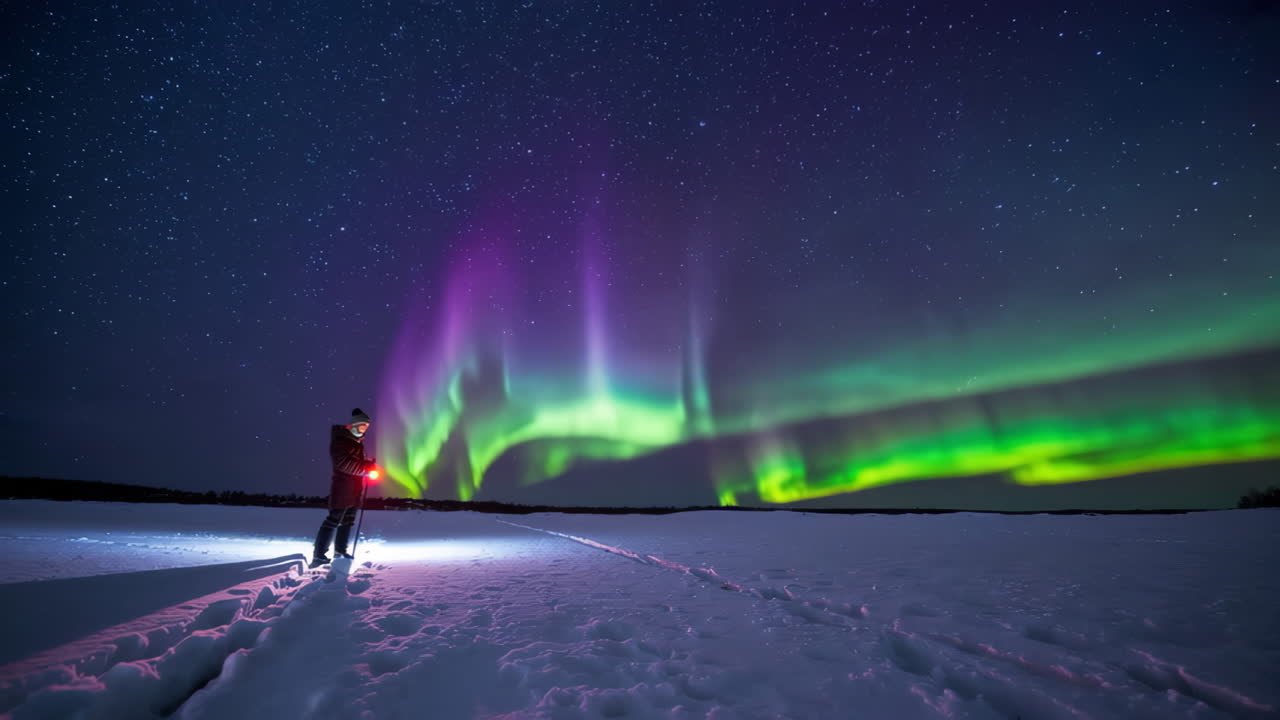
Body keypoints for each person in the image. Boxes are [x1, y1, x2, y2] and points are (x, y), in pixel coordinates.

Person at [311, 408, 376, 568]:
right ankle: (319, 556)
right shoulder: (341, 441)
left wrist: (367, 465)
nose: (364, 430)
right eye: (362, 426)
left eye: (366, 427)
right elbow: (343, 464)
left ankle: (340, 552)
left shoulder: (357, 443)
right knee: (333, 520)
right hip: (342, 488)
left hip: (354, 489)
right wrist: (365, 468)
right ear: (354, 425)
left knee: (347, 521)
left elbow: (355, 463)